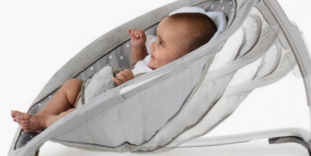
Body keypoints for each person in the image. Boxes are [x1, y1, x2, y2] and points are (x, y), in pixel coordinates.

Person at [11, 9, 218, 134]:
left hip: (99, 113)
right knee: (71, 86)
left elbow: (141, 107)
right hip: (91, 93)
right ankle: (39, 117)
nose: (153, 44)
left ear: (183, 58)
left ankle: (44, 123)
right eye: (156, 38)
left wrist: (129, 86)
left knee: (73, 114)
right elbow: (137, 66)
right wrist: (138, 47)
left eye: (161, 44)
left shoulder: (164, 81)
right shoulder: (153, 61)